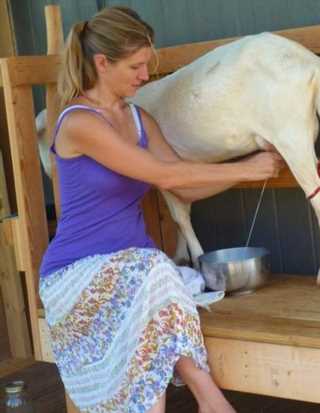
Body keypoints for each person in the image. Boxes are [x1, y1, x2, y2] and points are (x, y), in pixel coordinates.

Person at [39, 6, 283, 413]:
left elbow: (184, 191)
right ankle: (213, 402)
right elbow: (162, 175)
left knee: (157, 283)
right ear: (102, 63)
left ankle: (209, 403)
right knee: (156, 273)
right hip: (76, 275)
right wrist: (246, 166)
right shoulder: (79, 123)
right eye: (135, 66)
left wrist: (250, 170)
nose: (145, 75)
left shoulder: (139, 120)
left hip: (137, 277)